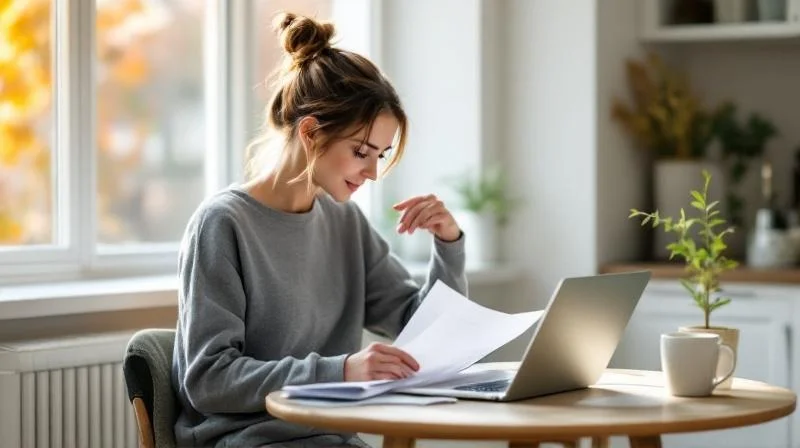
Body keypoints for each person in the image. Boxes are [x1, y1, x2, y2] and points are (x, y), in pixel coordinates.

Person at [171, 11, 468, 448]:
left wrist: (449, 244)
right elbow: (209, 379)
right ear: (310, 133)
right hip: (251, 441)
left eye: (380, 156)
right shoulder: (224, 224)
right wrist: (341, 370)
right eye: (361, 151)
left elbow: (420, 331)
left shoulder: (345, 222)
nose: (371, 171)